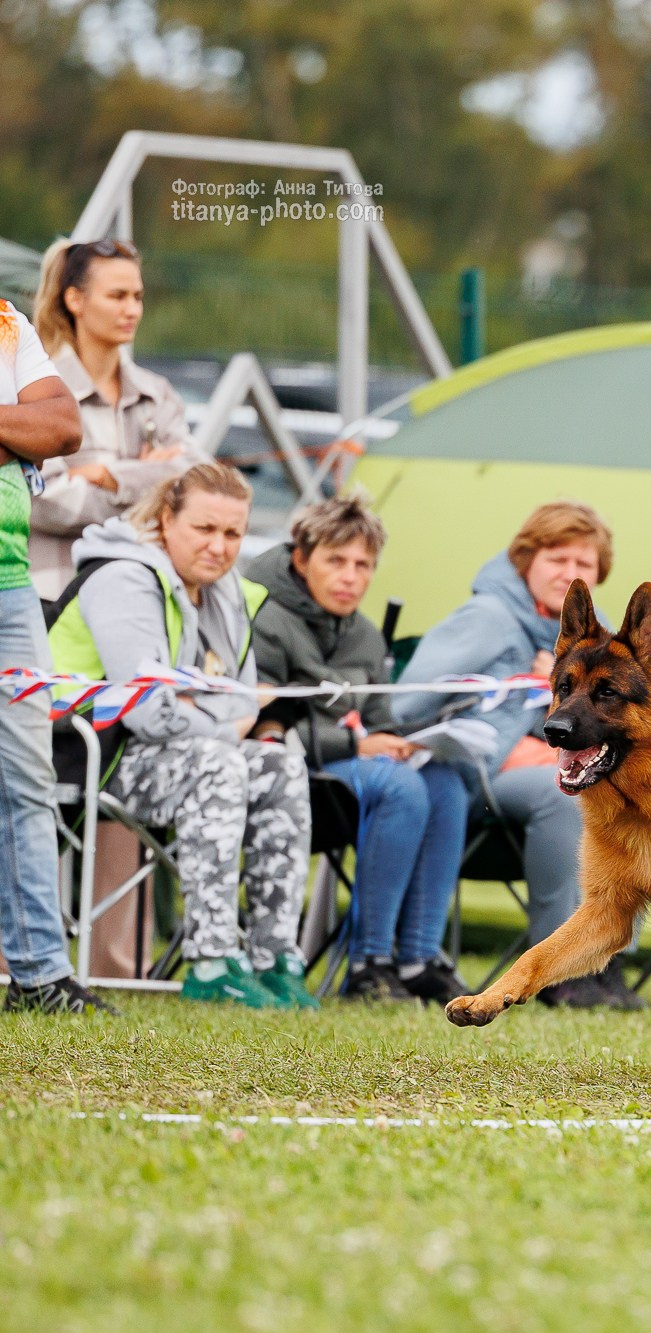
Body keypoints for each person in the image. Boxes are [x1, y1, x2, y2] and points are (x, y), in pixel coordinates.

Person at [46, 464, 314, 1008]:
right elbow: (147, 711)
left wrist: (213, 712)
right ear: (166, 519)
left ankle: (274, 958)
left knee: (282, 764)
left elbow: (244, 697)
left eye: (233, 534)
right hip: (80, 753)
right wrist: (222, 718)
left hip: (171, 754)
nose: (219, 547)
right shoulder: (122, 577)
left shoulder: (230, 593)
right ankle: (211, 962)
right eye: (204, 529)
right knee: (222, 761)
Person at [392, 501, 638, 1011]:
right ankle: (558, 969)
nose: (570, 573)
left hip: (542, 766)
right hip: (467, 774)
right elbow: (405, 702)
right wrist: (506, 738)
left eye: (583, 564)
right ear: (527, 558)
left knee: (618, 791)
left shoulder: (594, 632)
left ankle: (605, 960)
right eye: (557, 558)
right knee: (564, 798)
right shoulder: (489, 617)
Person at [247, 497, 468, 1004]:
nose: (351, 577)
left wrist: (408, 742)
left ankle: (418, 958)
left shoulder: (365, 635)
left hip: (352, 768)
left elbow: (380, 721)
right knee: (400, 784)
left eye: (363, 565)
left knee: (446, 783)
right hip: (291, 776)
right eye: (336, 561)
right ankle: (370, 963)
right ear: (302, 559)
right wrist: (356, 743)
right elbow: (258, 723)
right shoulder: (264, 615)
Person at [0, 291, 110, 1013]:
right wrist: (17, 429)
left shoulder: (3, 322)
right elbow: (32, 426)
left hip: (11, 581)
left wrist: (26, 430)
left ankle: (39, 973)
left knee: (29, 776)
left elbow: (63, 425)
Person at [29, 238, 200, 599]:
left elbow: (196, 478)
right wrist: (152, 487)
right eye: (117, 296)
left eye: (137, 297)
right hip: (55, 594)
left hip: (143, 591)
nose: (132, 310)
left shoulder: (157, 392)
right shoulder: (37, 391)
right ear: (75, 300)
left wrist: (107, 476)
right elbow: (45, 503)